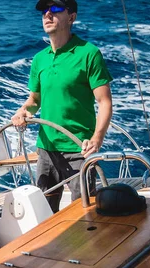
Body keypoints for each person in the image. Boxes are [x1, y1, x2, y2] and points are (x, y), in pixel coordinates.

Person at [12, 0, 113, 213]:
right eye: (44, 11)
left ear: (72, 17)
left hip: (79, 149)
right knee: (44, 214)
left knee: (85, 213)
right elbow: (34, 101)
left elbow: (104, 101)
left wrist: (97, 138)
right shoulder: (40, 59)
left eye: (56, 9)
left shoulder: (88, 53)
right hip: (46, 149)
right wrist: (23, 112)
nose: (48, 14)